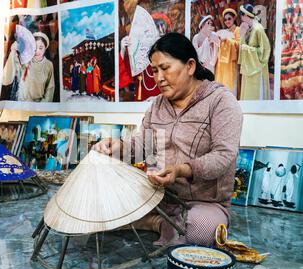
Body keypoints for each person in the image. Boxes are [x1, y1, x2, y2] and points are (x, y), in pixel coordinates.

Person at [94, 32, 243, 246]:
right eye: (154, 71)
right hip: (158, 196)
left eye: (165, 68)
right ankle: (160, 222)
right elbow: (142, 145)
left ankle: (155, 224)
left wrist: (181, 170)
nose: (159, 78)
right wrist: (119, 147)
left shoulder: (221, 101)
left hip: (204, 203)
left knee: (201, 231)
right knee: (100, 206)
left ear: (190, 66)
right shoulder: (157, 105)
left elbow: (223, 156)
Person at [2, 31, 55, 102]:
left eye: (41, 48)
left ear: (45, 48)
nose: (37, 51)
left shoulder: (49, 65)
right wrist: (13, 52)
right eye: (34, 47)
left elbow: (50, 89)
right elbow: (6, 80)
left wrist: (42, 105)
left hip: (39, 106)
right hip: (22, 103)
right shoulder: (24, 60)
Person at [238, 3, 271, 100]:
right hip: (248, 67)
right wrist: (242, 35)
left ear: (245, 15)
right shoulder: (249, 28)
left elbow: (265, 50)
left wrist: (247, 48)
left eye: (241, 14)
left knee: (256, 96)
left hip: (256, 68)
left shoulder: (258, 29)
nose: (240, 17)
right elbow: (242, 46)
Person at [215, 8, 241, 97]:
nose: (227, 21)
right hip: (222, 63)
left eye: (229, 18)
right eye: (225, 20)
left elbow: (239, 44)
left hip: (231, 63)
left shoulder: (238, 30)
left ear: (234, 19)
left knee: (231, 86)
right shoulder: (224, 31)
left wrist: (227, 40)